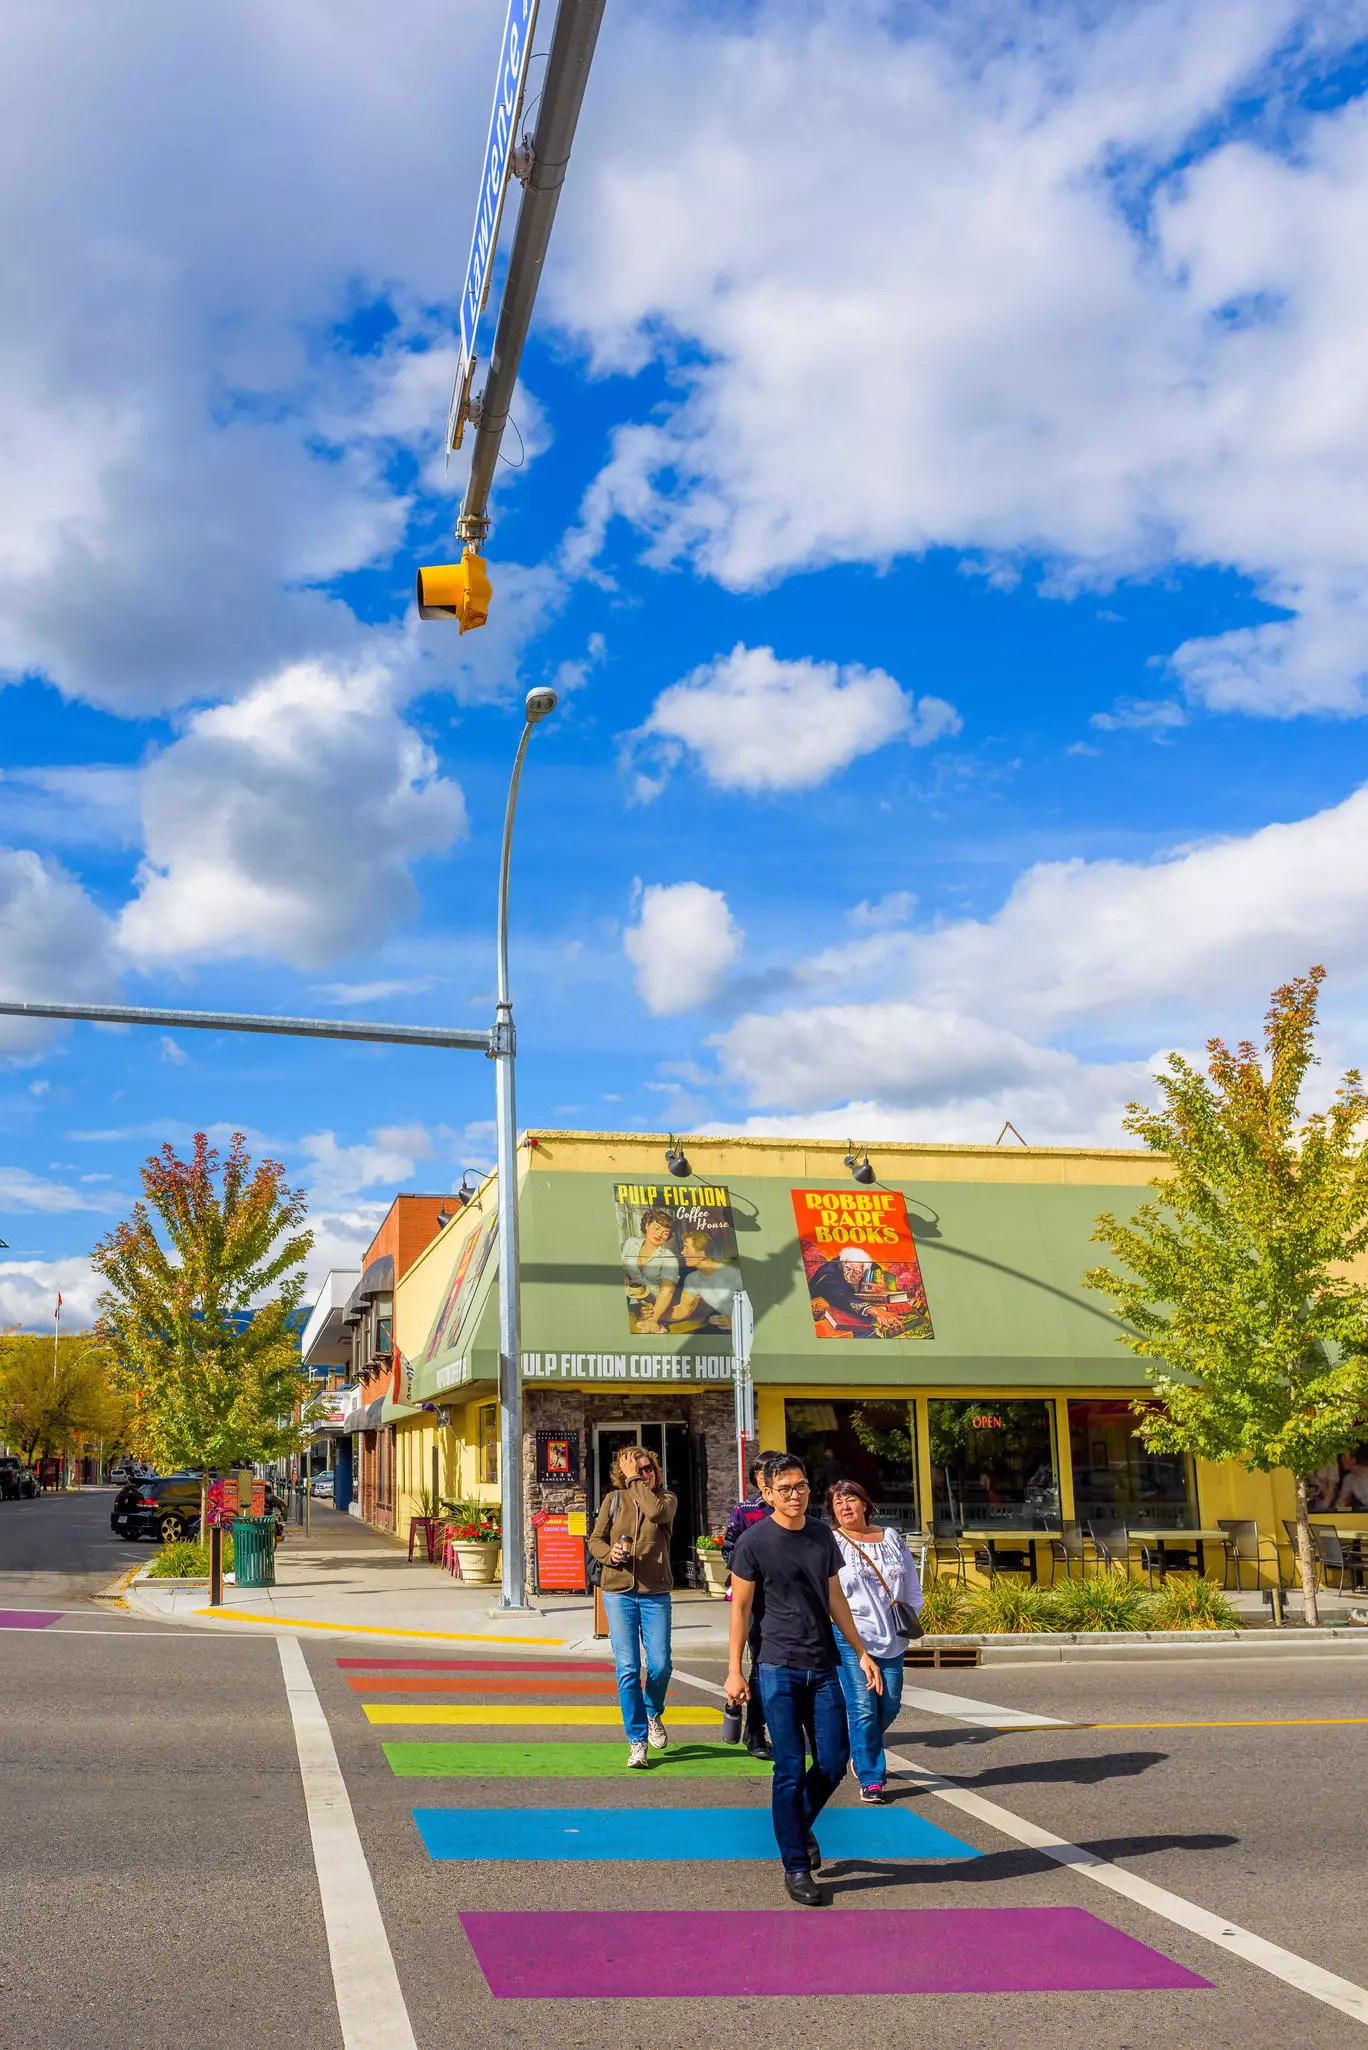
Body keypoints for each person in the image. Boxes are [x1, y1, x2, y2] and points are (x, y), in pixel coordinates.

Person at [726, 1452, 882, 1907]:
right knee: (789, 1768)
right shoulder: (753, 1542)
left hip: (824, 1662)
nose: (794, 1495)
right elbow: (738, 1607)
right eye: (785, 1488)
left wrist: (860, 1651)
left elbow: (835, 1597)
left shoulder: (821, 1536)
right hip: (777, 1666)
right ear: (768, 1493)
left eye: (800, 1486)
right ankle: (796, 1865)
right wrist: (735, 1669)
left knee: (833, 1761)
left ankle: (797, 1826)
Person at [828, 1479, 922, 1803]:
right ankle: (871, 1778)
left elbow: (910, 1582)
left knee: (890, 1703)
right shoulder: (832, 1542)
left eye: (850, 1500)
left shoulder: (891, 1537)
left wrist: (911, 1617)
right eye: (838, 1503)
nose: (844, 1507)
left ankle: (859, 1746)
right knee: (863, 1708)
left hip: (892, 1636)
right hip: (850, 1635)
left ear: (865, 1503)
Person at [587, 1444, 677, 1768]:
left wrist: (634, 1480)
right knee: (627, 1668)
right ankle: (637, 1741)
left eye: (648, 1468)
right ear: (623, 1474)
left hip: (655, 1593)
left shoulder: (666, 1500)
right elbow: (595, 1539)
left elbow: (654, 1513)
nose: (644, 1474)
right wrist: (609, 1553)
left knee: (661, 1665)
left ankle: (653, 1712)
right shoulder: (613, 1501)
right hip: (619, 1591)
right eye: (637, 1470)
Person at [720, 1451, 782, 1759]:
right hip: (756, 1599)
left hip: (790, 1599)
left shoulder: (793, 1507)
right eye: (761, 1473)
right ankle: (756, 1731)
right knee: (761, 1664)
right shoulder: (746, 1511)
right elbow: (728, 1547)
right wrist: (748, 1571)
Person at [664, 1229, 743, 1332]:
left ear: (701, 1254)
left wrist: (737, 1321)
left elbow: (759, 1303)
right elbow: (683, 1310)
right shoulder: (692, 1279)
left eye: (687, 1248)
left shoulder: (733, 1273)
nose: (682, 1253)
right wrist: (656, 1313)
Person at [621, 1208, 680, 1332]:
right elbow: (623, 1269)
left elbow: (667, 1291)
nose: (659, 1234)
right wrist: (626, 1282)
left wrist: (653, 1318)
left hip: (656, 1308)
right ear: (647, 1225)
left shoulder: (669, 1257)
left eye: (665, 1232)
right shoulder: (631, 1243)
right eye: (657, 1228)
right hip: (629, 1303)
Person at [1334, 1446, 1368, 1512]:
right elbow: (1343, 1498)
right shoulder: (1348, 1479)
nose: (1341, 1459)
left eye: (1344, 1457)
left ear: (1353, 1460)